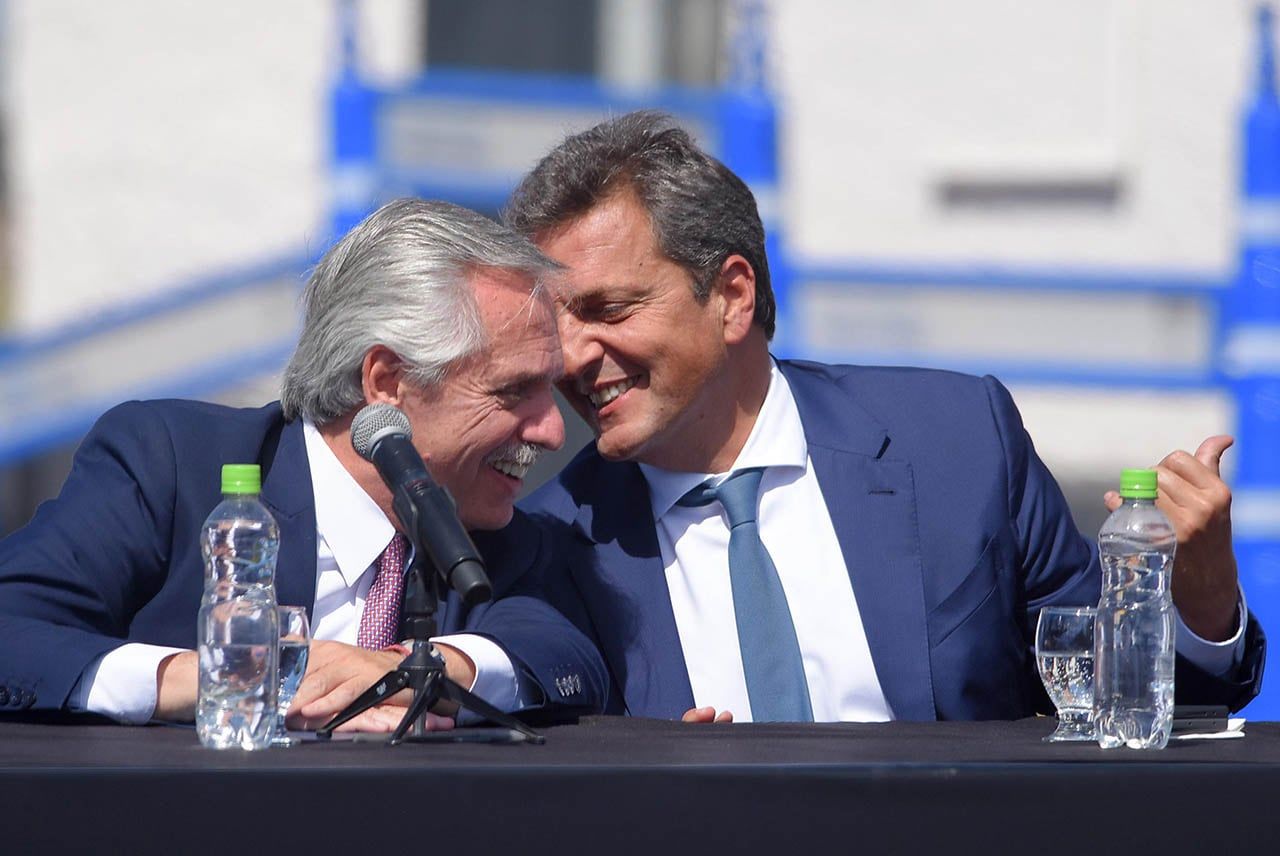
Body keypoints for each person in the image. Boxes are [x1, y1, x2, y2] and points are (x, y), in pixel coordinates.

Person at [499, 111, 1265, 722]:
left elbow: (1122, 708)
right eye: (554, 324)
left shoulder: (958, 443)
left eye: (607, 310)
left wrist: (1197, 597)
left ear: (731, 296)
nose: (570, 356)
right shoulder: (549, 542)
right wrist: (654, 781)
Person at [0, 198, 607, 730]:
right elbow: (14, 634)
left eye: (549, 392)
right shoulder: (170, 464)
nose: (553, 430)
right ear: (387, 381)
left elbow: (565, 655)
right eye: (511, 392)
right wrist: (237, 676)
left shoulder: (491, 531)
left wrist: (410, 671)